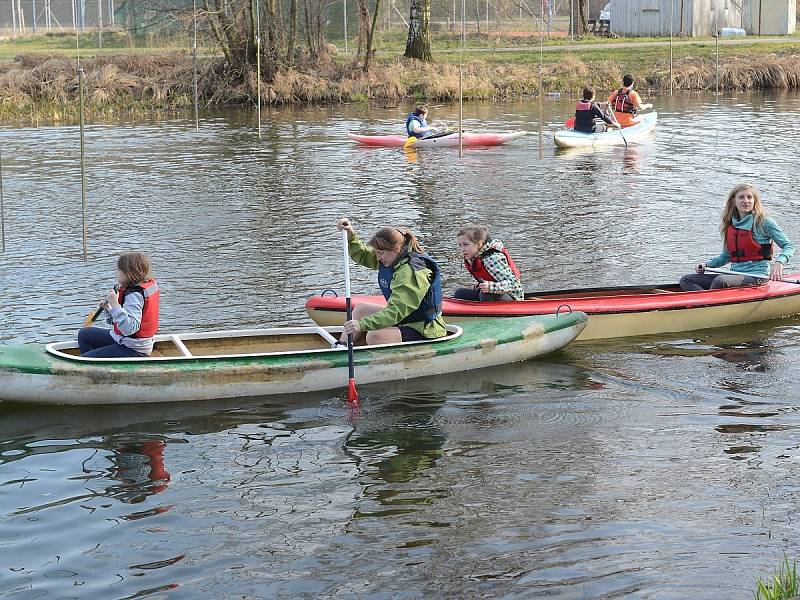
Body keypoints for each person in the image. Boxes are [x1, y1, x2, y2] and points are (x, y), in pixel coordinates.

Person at [337, 218, 447, 345]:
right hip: (405, 318)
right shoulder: (393, 256)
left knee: (374, 336)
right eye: (377, 252)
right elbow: (364, 255)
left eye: (380, 253)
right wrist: (351, 235)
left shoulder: (410, 272)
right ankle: (341, 347)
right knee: (361, 309)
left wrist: (362, 324)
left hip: (423, 327)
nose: (377, 258)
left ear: (396, 249)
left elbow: (396, 311)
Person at [679, 183, 794, 291]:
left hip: (757, 276)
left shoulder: (764, 222)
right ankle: (704, 303)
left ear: (755, 201)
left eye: (749, 197)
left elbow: (788, 246)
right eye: (741, 197)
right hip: (734, 274)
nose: (746, 201)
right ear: (734, 201)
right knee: (686, 280)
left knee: (720, 281)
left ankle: (708, 307)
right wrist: (707, 264)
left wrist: (780, 262)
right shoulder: (730, 225)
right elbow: (726, 256)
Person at [78, 251, 160, 358]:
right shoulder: (132, 289)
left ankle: (91, 363)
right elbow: (117, 322)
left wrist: (115, 305)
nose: (117, 273)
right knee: (84, 334)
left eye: (119, 270)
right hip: (124, 340)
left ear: (129, 273)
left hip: (134, 348)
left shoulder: (134, 296)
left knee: (84, 359)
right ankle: (96, 362)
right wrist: (110, 308)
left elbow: (129, 329)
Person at [454, 225, 523, 302]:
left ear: (479, 244)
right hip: (493, 293)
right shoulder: (474, 258)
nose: (462, 249)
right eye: (460, 245)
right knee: (459, 293)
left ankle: (486, 313)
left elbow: (515, 284)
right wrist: (479, 286)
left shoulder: (492, 259)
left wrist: (490, 287)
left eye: (466, 244)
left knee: (485, 293)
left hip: (512, 297)